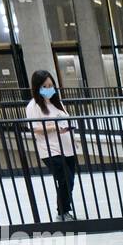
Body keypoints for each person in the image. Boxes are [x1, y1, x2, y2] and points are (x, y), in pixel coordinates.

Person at [24, 69, 78, 222]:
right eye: (45, 86)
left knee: (70, 180)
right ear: (37, 87)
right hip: (50, 149)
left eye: (51, 85)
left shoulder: (57, 102)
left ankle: (64, 210)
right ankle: (62, 213)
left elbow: (65, 120)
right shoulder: (33, 106)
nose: (49, 89)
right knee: (65, 179)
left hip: (67, 147)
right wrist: (54, 127)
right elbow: (35, 128)